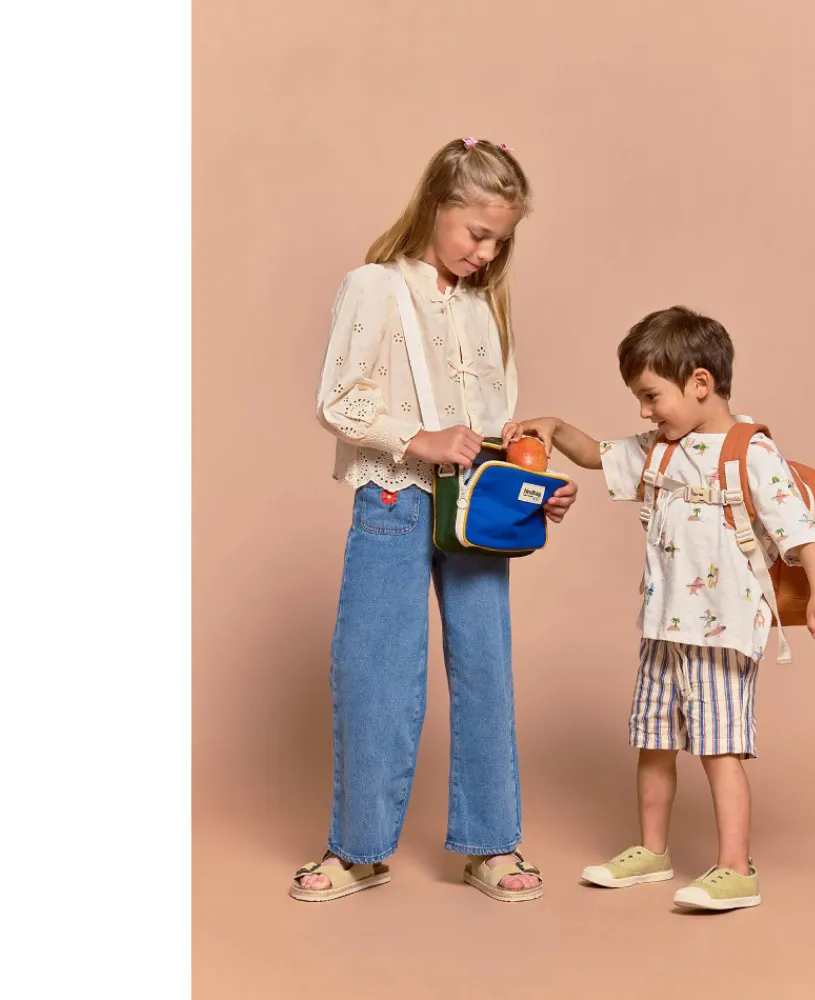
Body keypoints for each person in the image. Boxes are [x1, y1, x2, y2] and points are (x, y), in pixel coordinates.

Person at [290, 138, 577, 904]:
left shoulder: (486, 308)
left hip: (477, 507)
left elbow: (495, 427)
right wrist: (419, 440)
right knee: (377, 670)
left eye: (500, 241)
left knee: (486, 670)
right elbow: (338, 400)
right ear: (436, 206)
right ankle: (357, 850)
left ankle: (491, 843)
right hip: (395, 495)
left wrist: (532, 488)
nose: (486, 253)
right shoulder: (375, 286)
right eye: (477, 234)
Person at [503, 305, 815, 911]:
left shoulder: (750, 453)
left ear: (700, 382)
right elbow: (596, 453)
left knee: (719, 747)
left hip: (723, 630)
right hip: (662, 626)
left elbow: (800, 531)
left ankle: (736, 868)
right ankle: (652, 850)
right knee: (655, 739)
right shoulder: (661, 448)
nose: (644, 411)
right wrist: (554, 425)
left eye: (650, 396)